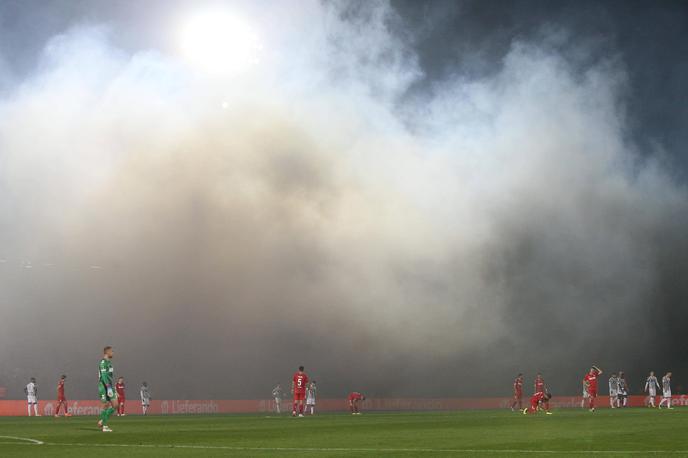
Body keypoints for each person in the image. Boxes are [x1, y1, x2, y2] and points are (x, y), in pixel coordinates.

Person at [98, 346, 118, 432]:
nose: (113, 353)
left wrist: (112, 387)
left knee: (115, 405)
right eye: (112, 351)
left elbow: (109, 376)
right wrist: (108, 387)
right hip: (103, 386)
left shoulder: (109, 363)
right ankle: (105, 427)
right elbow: (103, 376)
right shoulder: (103, 362)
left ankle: (103, 420)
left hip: (109, 386)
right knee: (105, 405)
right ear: (107, 352)